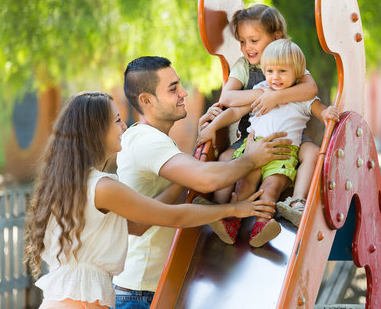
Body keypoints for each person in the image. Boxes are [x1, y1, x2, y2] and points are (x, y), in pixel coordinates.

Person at [23, 91, 279, 309]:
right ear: (97, 131)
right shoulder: (103, 187)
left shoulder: (71, 183)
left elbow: (138, 225)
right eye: (117, 121)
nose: (124, 127)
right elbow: (174, 217)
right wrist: (234, 206)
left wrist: (184, 178)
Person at [112, 56, 292, 308]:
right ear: (146, 100)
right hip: (141, 293)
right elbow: (205, 180)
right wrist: (251, 160)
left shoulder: (151, 140)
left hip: (150, 287)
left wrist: (199, 149)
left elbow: (179, 188)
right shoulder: (146, 140)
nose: (183, 93)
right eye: (173, 89)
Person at [196, 39, 339, 247]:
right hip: (253, 149)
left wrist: (327, 112)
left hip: (282, 152)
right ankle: (230, 223)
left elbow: (320, 110)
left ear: (297, 73)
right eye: (270, 71)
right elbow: (235, 111)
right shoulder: (261, 90)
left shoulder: (302, 97)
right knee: (243, 186)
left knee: (270, 188)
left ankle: (262, 227)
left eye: (283, 71)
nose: (275, 77)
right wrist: (212, 127)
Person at [199, 4, 320, 221]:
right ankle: (217, 209)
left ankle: (297, 202)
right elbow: (228, 98)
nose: (247, 47)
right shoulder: (244, 66)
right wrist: (263, 93)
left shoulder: (289, 61)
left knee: (311, 151)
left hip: (289, 136)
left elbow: (310, 89)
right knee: (226, 157)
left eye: (254, 40)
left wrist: (276, 96)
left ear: (276, 36)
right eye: (242, 42)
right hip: (252, 135)